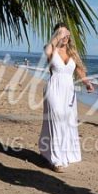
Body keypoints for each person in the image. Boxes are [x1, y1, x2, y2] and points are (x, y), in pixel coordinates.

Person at [39, 23, 94, 172]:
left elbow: (80, 71)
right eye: (63, 34)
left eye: (67, 35)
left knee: (67, 122)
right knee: (56, 119)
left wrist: (87, 83)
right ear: (56, 34)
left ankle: (50, 152)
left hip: (68, 92)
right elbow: (49, 48)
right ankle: (56, 161)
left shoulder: (72, 52)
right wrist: (59, 34)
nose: (66, 37)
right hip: (53, 89)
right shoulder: (50, 49)